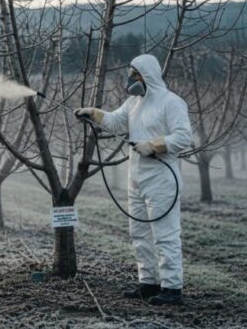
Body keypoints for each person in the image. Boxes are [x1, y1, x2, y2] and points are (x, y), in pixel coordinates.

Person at [75, 54, 193, 306]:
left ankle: (172, 288)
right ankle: (148, 283)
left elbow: (184, 137)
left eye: (135, 73)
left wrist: (154, 146)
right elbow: (116, 122)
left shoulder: (171, 103)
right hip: (137, 178)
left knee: (165, 235)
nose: (131, 78)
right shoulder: (133, 102)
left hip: (162, 179)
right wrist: (93, 114)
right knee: (139, 233)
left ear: (147, 74)